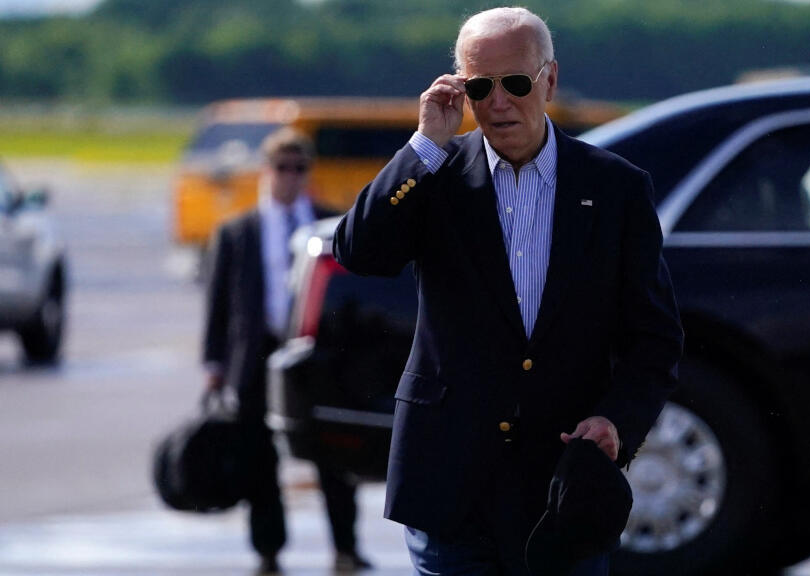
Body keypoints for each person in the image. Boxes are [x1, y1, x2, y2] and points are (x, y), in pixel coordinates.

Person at [333, 7, 684, 576]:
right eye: (480, 87)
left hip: (563, 491)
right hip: (448, 483)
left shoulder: (615, 187)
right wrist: (425, 144)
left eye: (516, 83)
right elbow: (358, 252)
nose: (498, 103)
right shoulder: (434, 175)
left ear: (550, 79)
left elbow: (655, 338)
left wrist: (617, 421)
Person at [203, 127, 370, 574]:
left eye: (299, 168)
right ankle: (268, 550)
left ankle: (346, 547)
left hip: (316, 352)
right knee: (258, 457)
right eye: (282, 167)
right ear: (266, 170)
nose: (290, 176)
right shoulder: (239, 231)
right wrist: (214, 365)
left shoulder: (330, 224)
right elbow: (218, 304)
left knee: (333, 452)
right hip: (257, 353)